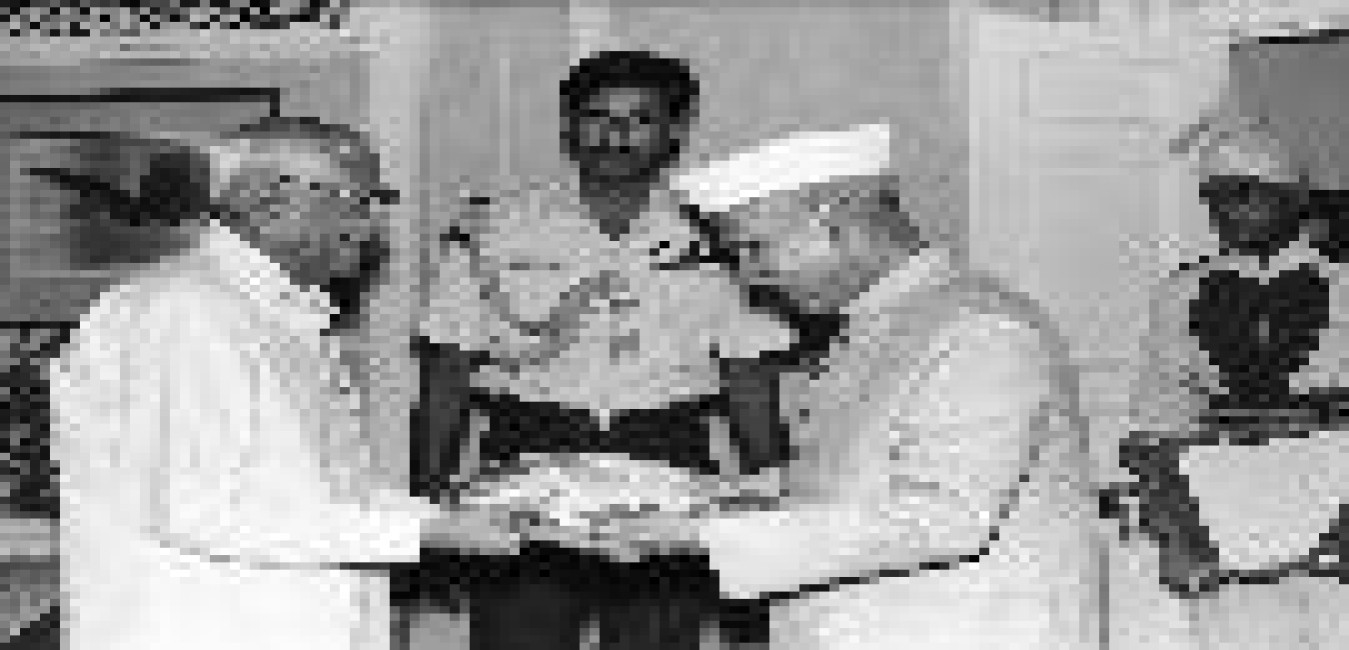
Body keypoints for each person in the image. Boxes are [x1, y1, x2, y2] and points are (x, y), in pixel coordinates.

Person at [574, 122, 1102, 650]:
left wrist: (698, 535)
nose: (750, 277)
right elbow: (843, 477)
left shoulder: (981, 329)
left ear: (835, 222)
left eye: (755, 248)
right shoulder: (878, 323)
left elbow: (944, 515)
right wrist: (685, 498)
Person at [48, 118, 521, 650]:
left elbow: (331, 495)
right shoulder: (186, 311)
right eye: (358, 201)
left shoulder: (286, 316)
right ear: (269, 202)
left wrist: (468, 518)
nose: (369, 226)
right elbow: (196, 507)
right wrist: (424, 533)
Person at [414, 50, 794, 650]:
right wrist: (425, 503)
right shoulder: (494, 228)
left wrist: (771, 499)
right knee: (518, 637)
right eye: (598, 117)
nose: (616, 135)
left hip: (668, 458)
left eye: (640, 119)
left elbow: (749, 374)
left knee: (656, 638)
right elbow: (447, 367)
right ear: (569, 126)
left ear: (674, 132)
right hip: (528, 458)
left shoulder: (722, 234)